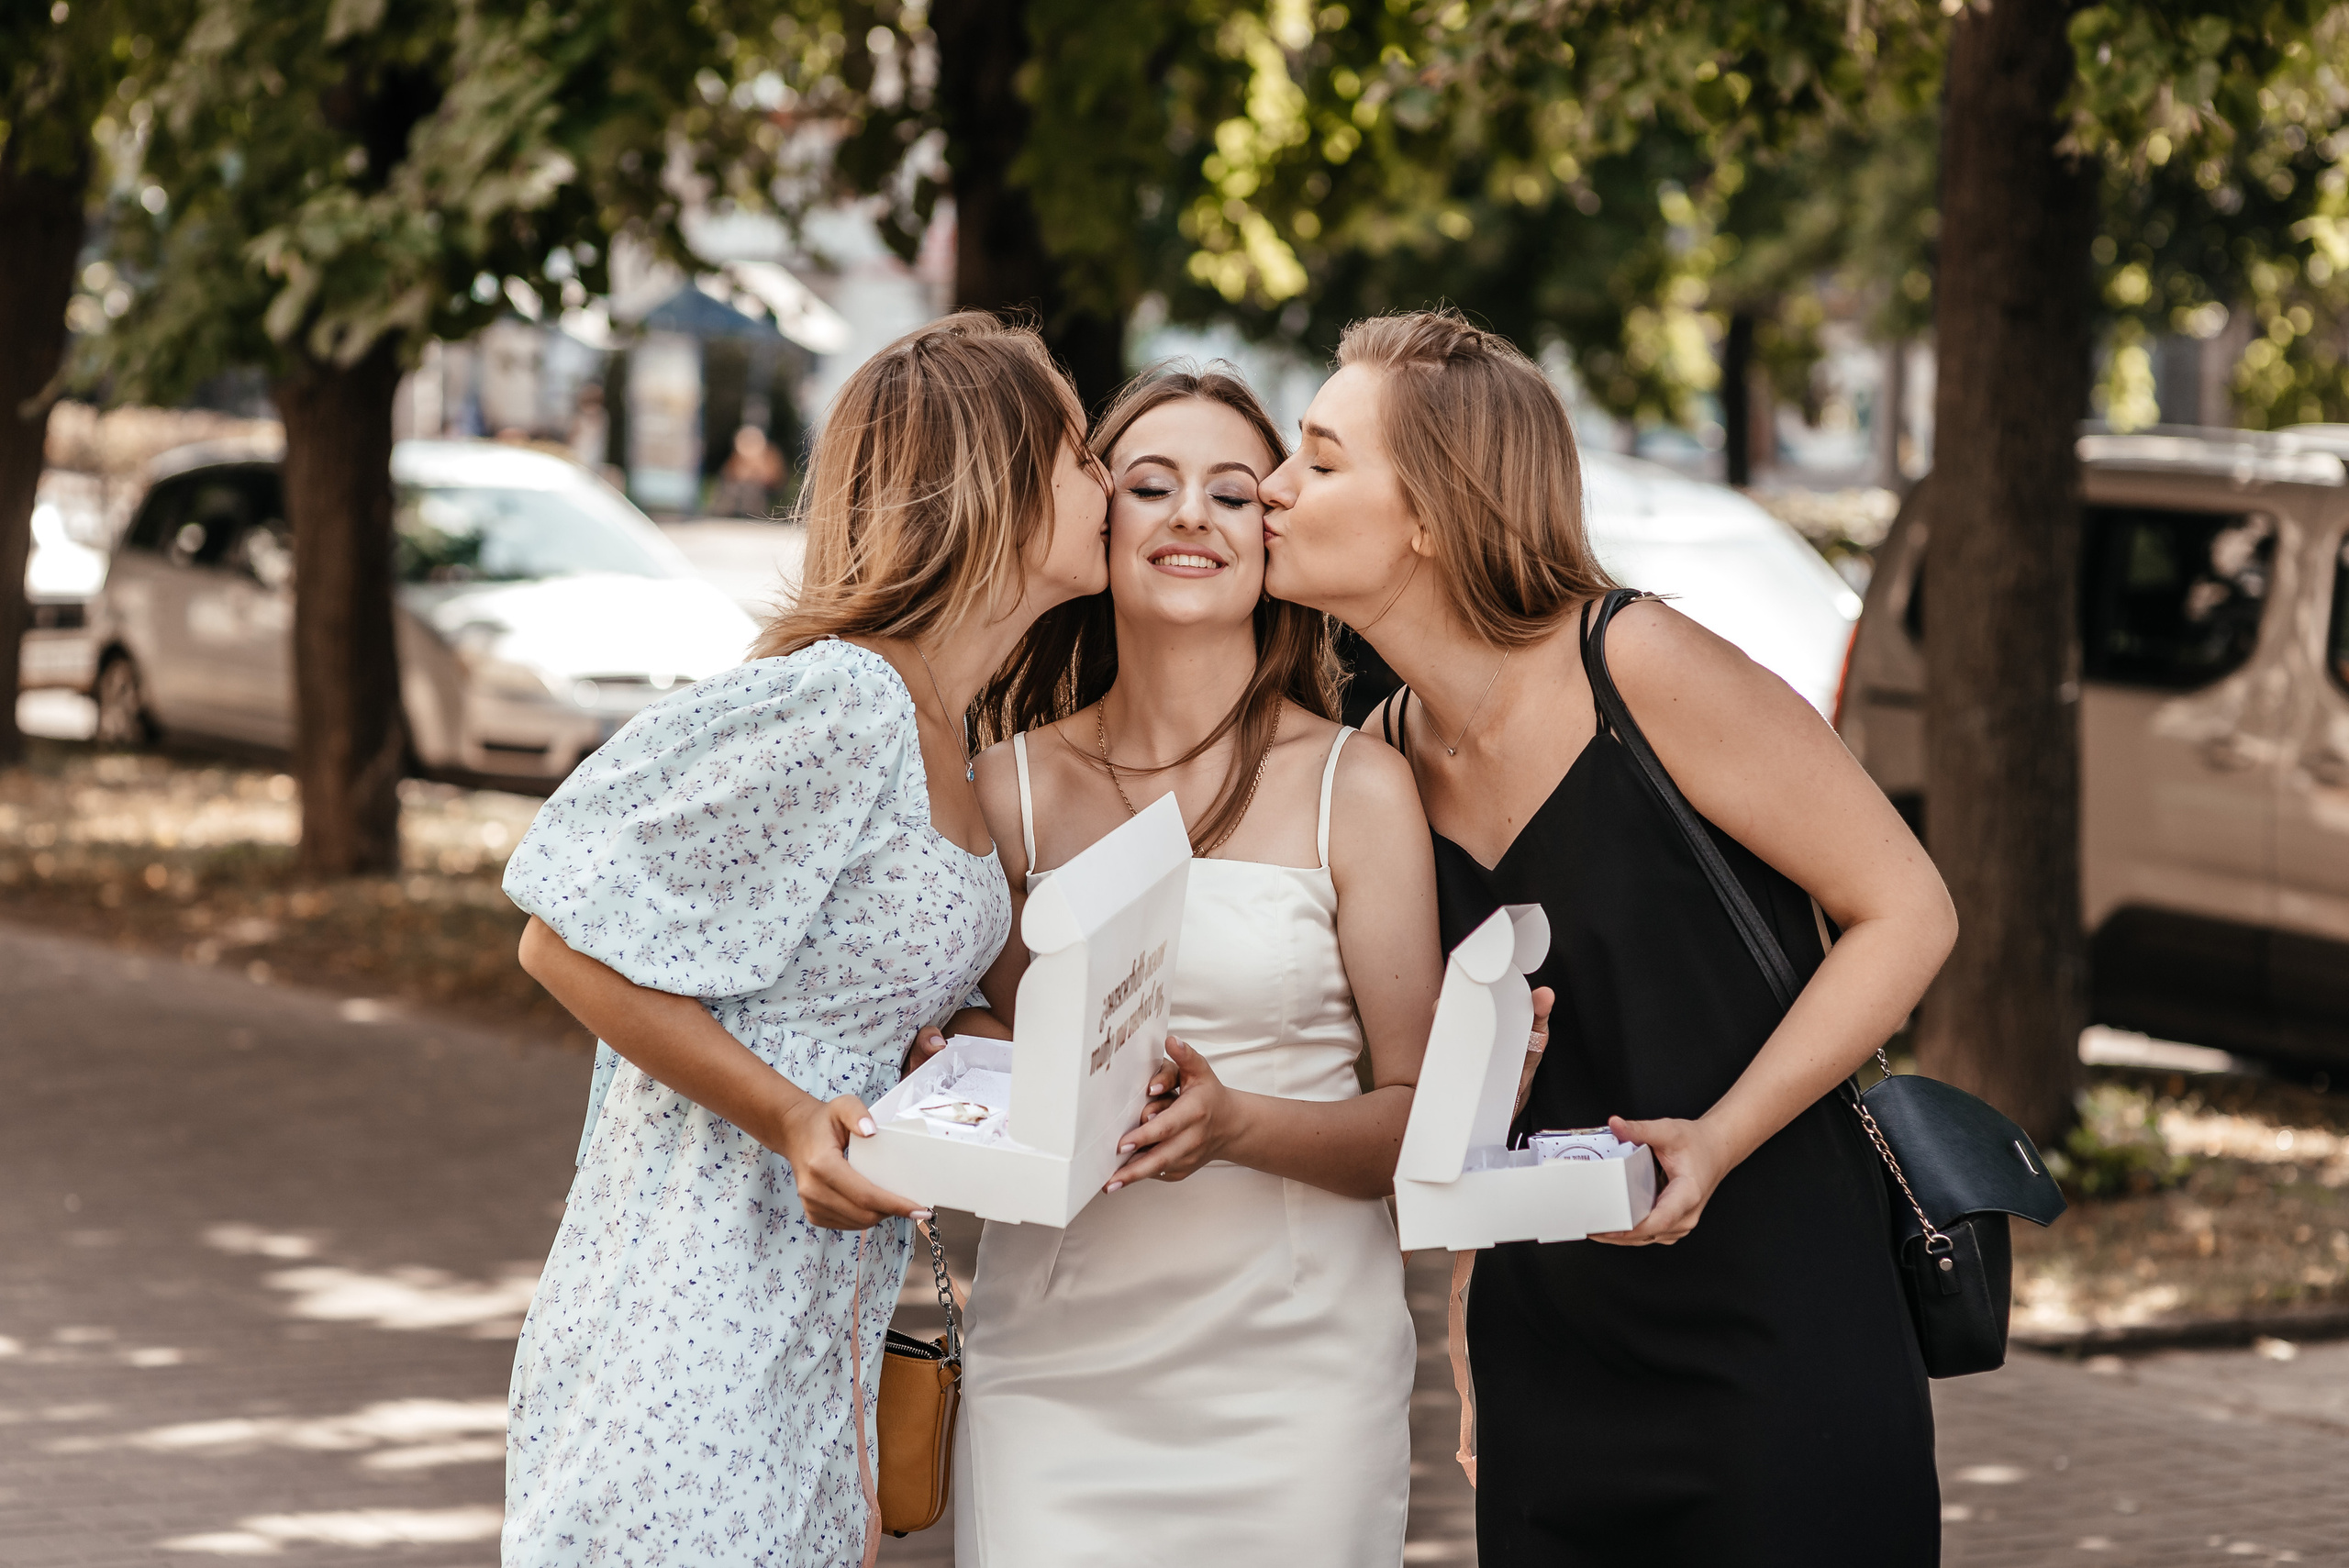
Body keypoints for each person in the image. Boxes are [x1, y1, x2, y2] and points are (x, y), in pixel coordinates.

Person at [1256, 310, 1957, 1565]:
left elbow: (1908, 909)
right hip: (1550, 1362)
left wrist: (1719, 1139)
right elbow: (1457, 1090)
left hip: (1777, 1330)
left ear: (1427, 512)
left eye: (1318, 457)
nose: (1273, 487)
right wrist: (1471, 1306)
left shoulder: (1639, 665)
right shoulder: (1379, 761)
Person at [496, 312, 1110, 1568]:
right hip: (690, 1314)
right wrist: (788, 1115)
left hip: (818, 1321)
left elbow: (873, 988)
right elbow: (561, 934)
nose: (1108, 485)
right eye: (1085, 456)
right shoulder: (842, 699)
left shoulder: (952, 727)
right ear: (997, 481)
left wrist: (956, 1054)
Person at [913, 363, 1442, 1566]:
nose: (1193, 514)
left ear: (1273, 535)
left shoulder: (1356, 788)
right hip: (1055, 1372)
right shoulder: (1007, 791)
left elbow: (1417, 1123)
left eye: (1234, 491)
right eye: (1151, 485)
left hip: (1299, 1382)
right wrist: (962, 1070)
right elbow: (984, 1080)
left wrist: (1236, 1123)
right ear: (1103, 525)